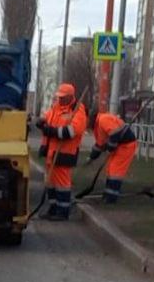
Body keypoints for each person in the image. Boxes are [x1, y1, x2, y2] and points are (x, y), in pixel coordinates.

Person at [36, 83, 87, 219]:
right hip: (51, 152)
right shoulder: (57, 107)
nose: (61, 99)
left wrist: (51, 131)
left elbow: (71, 131)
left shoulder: (78, 110)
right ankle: (53, 208)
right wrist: (41, 121)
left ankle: (63, 211)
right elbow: (48, 117)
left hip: (64, 153)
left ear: (71, 97)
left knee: (62, 184)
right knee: (51, 182)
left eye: (64, 97)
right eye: (60, 97)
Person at [89, 109, 138, 204]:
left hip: (126, 145)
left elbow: (115, 133)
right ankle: (108, 194)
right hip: (119, 145)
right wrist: (92, 157)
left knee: (116, 171)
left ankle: (111, 197)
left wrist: (110, 148)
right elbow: (100, 144)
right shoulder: (97, 126)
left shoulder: (103, 120)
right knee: (110, 169)